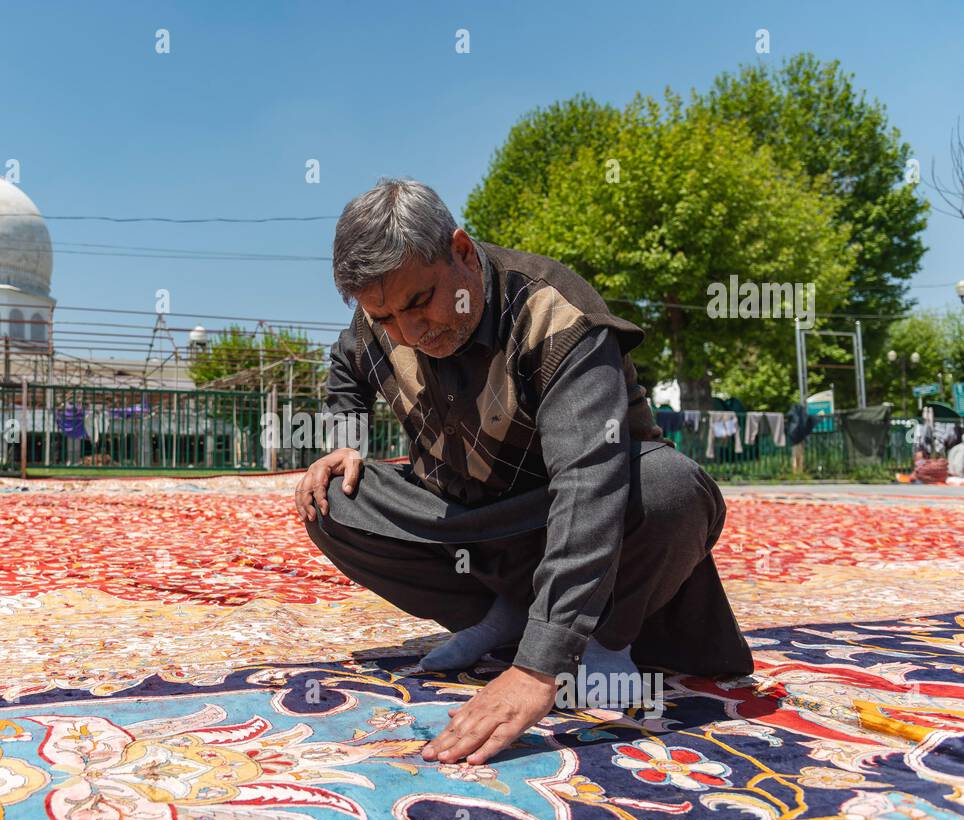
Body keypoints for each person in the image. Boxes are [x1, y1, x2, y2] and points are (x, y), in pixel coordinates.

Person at [295, 179, 752, 766]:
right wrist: (346, 439)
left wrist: (540, 668)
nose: (410, 332)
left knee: (672, 488)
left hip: (594, 522)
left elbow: (589, 483)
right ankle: (506, 614)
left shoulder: (552, 313)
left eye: (419, 303)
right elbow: (347, 362)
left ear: (461, 252)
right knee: (332, 496)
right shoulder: (381, 323)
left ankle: (602, 640)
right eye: (384, 317)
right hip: (476, 525)